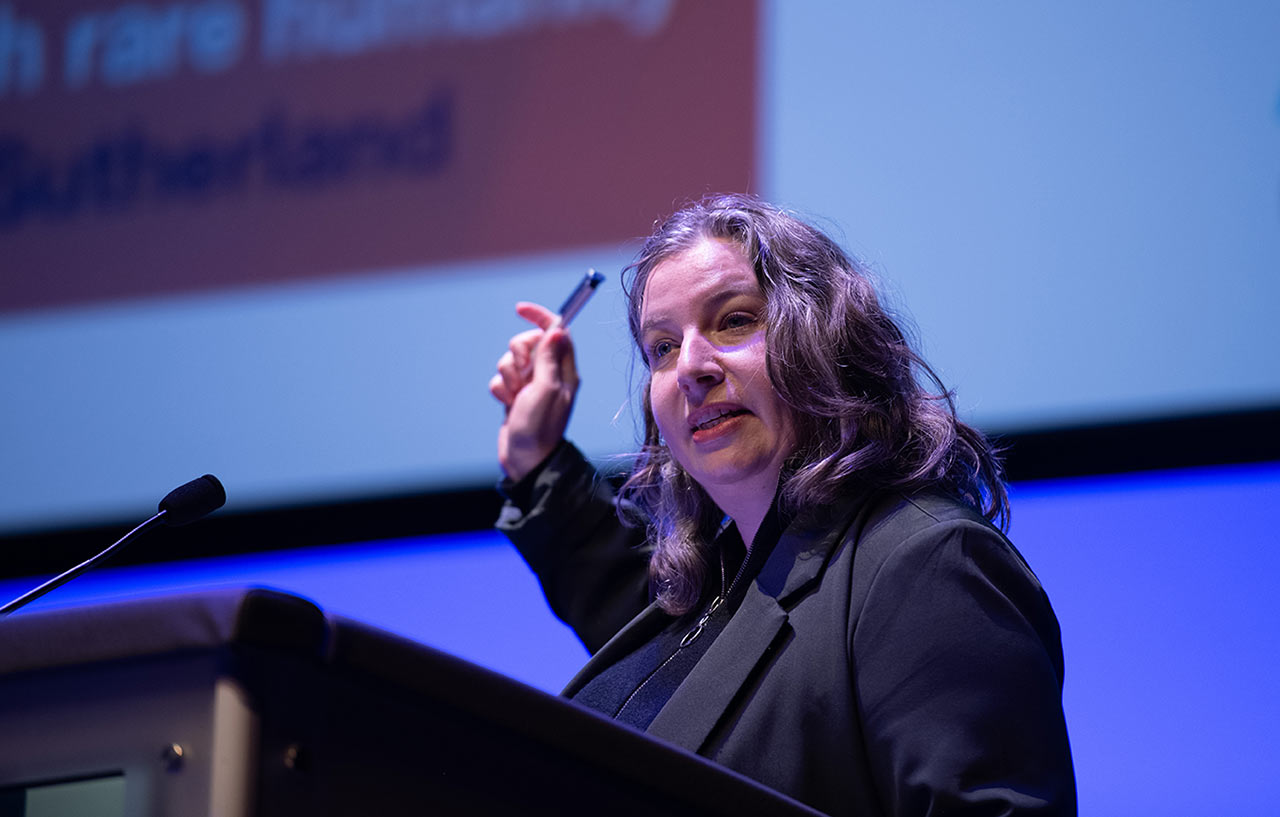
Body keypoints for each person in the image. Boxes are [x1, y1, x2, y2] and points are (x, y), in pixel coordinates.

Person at [488, 194, 1076, 816]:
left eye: (734, 320)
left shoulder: (924, 564)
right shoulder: (725, 592)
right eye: (661, 347)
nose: (690, 366)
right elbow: (659, 658)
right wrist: (536, 457)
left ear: (827, 342)